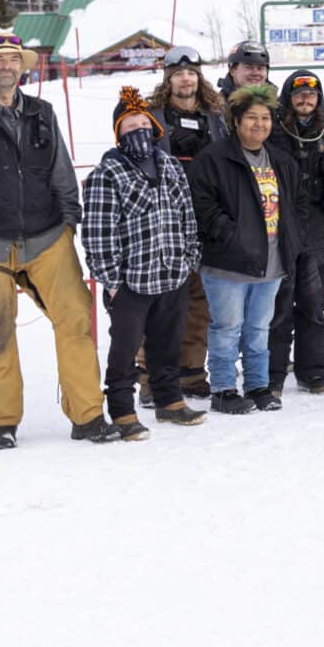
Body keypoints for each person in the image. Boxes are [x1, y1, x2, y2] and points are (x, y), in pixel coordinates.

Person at [0, 32, 110, 448]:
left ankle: (87, 416)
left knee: (76, 322)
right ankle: (3, 422)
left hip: (48, 237)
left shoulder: (44, 113)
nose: (7, 66)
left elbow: (61, 170)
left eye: (14, 59)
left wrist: (69, 220)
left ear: (23, 67)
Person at [82, 88, 207, 440]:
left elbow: (186, 215)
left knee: (168, 342)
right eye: (129, 125)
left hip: (172, 272)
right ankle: (122, 410)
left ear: (153, 128)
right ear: (119, 133)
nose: (137, 130)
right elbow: (98, 230)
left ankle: (169, 400)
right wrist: (111, 278)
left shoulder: (169, 166)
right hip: (131, 280)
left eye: (142, 123)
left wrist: (188, 257)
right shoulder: (108, 173)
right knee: (125, 348)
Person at [190, 84, 302, 413]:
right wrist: (232, 234)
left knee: (258, 328)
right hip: (228, 261)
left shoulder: (281, 161)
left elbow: (297, 206)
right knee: (227, 328)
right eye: (251, 117)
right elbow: (202, 205)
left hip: (271, 259)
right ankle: (224, 389)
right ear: (235, 121)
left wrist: (292, 240)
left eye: (265, 118)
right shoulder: (213, 158)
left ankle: (258, 385)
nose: (259, 124)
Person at [266, 69, 324, 394]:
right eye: (298, 94)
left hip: (319, 237)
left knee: (315, 306)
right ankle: (273, 374)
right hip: (277, 237)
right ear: (288, 98)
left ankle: (314, 371)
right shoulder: (272, 135)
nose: (305, 100)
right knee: (277, 310)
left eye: (312, 95)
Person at [146, 45, 225, 398]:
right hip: (162, 219)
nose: (185, 79)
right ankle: (150, 377)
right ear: (168, 79)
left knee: (199, 299)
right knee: (160, 299)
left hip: (204, 216)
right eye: (178, 74)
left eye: (191, 73)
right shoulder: (152, 116)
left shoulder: (215, 117)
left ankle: (192, 371)